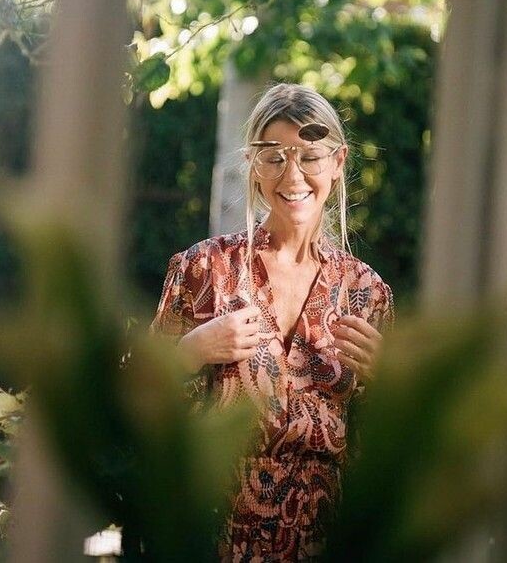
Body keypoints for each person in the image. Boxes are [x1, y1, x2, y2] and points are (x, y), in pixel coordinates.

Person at [150, 83, 394, 562]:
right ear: (253, 165)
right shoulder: (204, 271)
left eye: (310, 157)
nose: (292, 175)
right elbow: (138, 403)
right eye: (274, 157)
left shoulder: (366, 293)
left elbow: (386, 452)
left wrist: (390, 380)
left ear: (338, 162)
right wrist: (190, 351)